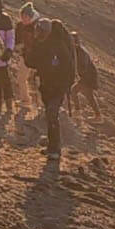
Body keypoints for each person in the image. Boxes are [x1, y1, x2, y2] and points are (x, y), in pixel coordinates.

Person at [29, 12, 78, 162]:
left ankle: (55, 149)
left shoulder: (59, 46)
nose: (39, 35)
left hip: (58, 87)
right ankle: (52, 147)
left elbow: (68, 68)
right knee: (50, 115)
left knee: (52, 114)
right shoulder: (40, 43)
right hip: (46, 85)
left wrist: (66, 86)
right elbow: (31, 62)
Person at [0, 0, 17, 117]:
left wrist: (9, 50)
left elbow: (10, 37)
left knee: (5, 80)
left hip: (3, 55)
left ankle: (9, 104)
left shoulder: (5, 19)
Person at [70, 32, 102, 119]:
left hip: (88, 77)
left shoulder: (80, 52)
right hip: (87, 76)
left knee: (75, 91)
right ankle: (97, 116)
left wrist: (78, 74)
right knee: (88, 96)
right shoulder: (76, 51)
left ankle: (78, 111)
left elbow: (83, 66)